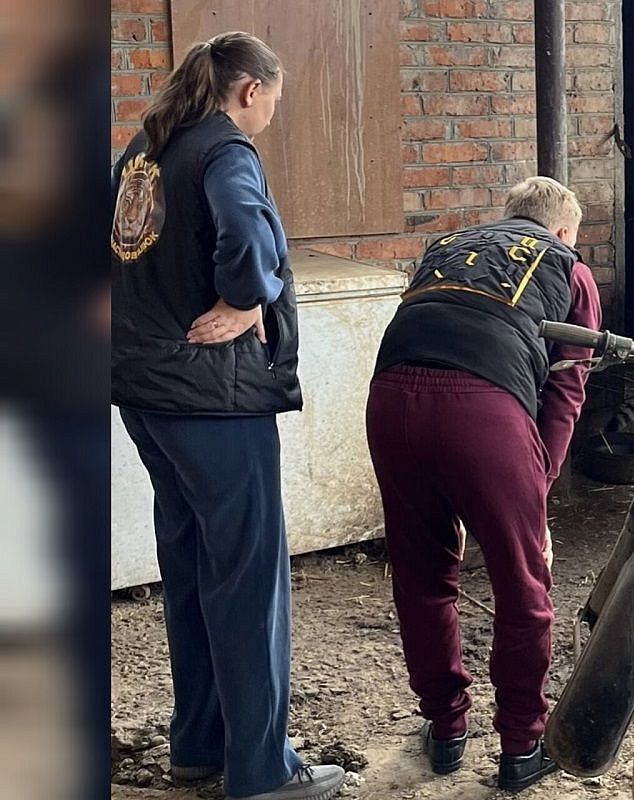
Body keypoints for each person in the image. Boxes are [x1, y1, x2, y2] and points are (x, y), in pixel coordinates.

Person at [110, 32, 344, 800]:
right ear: (250, 91)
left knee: (191, 569)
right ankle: (263, 773)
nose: (271, 114)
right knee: (247, 580)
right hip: (212, 400)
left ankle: (200, 746)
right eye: (273, 101)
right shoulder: (223, 151)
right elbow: (245, 234)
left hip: (145, 396)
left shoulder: (143, 154)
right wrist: (247, 298)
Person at [366, 176, 601, 791]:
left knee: (421, 576)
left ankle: (445, 729)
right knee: (522, 582)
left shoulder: (445, 251)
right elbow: (566, 388)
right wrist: (540, 485)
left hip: (389, 399)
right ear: (562, 231)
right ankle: (523, 745)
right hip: (483, 410)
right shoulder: (569, 268)